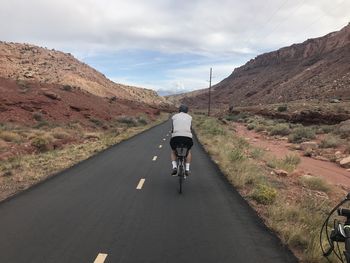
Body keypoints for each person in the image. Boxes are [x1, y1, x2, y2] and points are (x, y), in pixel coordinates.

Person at [170, 104, 193, 176]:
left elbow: (173, 128)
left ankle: (174, 167)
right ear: (187, 111)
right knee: (188, 151)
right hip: (187, 137)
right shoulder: (190, 117)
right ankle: (187, 169)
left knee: (173, 151)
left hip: (176, 137)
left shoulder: (174, 116)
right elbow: (190, 128)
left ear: (179, 110)